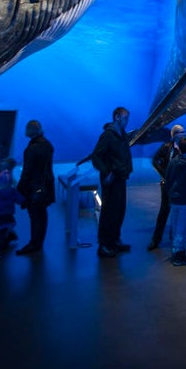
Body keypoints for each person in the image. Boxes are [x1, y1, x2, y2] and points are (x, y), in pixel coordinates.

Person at [79, 107, 133, 258]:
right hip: (112, 180)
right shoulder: (108, 136)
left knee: (119, 211)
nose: (127, 121)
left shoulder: (121, 135)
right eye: (125, 118)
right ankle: (104, 245)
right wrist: (106, 172)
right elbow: (97, 156)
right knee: (109, 212)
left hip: (121, 178)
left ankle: (114, 240)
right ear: (117, 117)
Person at [16, 120, 55, 255]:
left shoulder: (31, 149)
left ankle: (34, 244)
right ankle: (39, 242)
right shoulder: (48, 145)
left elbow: (27, 172)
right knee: (42, 215)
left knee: (34, 216)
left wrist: (20, 188)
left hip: (34, 187)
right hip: (46, 186)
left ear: (29, 131)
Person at [148, 124, 186, 251]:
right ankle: (155, 239)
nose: (184, 134)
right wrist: (165, 175)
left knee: (178, 212)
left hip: (180, 185)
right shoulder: (166, 147)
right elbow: (154, 161)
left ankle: (174, 237)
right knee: (164, 212)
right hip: (168, 185)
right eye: (181, 132)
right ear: (174, 135)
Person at [165, 136, 186, 266]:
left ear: (178, 148)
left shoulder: (173, 162)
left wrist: (170, 194)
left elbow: (167, 179)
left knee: (175, 226)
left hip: (174, 199)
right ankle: (179, 256)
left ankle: (177, 252)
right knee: (181, 228)